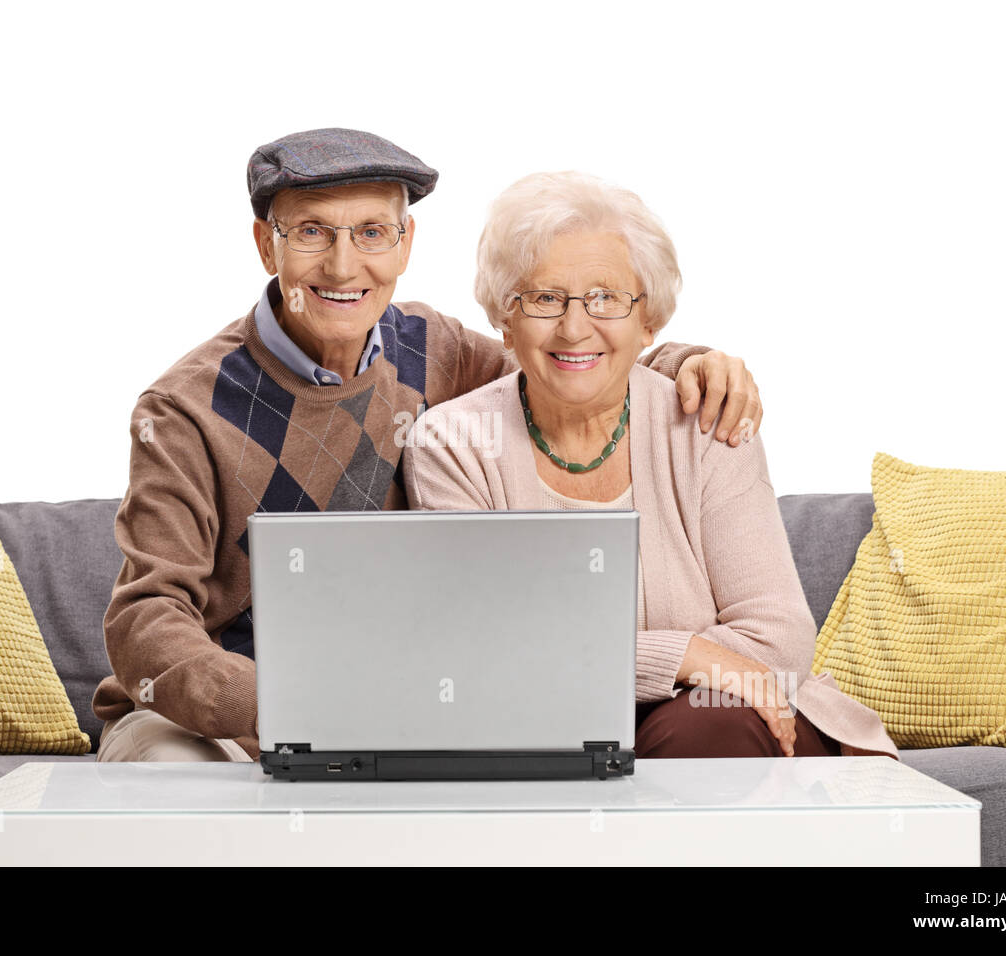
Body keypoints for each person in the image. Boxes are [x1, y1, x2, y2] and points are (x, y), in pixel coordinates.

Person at [92, 129, 770, 762]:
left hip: (399, 708)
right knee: (180, 784)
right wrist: (283, 704)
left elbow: (565, 361)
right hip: (219, 725)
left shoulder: (432, 349)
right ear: (266, 247)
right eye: (310, 233)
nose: (342, 262)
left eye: (371, 232)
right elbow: (146, 618)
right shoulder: (182, 409)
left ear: (405, 245)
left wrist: (689, 363)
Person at [403, 170, 899, 760]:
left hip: (744, 730)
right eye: (544, 297)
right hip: (545, 739)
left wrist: (596, 662)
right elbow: (485, 656)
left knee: (711, 724)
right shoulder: (453, 444)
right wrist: (688, 656)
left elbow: (780, 642)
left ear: (650, 320)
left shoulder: (707, 421)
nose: (575, 326)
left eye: (606, 297)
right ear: (502, 315)